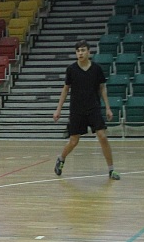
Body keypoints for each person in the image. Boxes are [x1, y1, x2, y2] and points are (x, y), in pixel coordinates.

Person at [51, 39, 120, 180]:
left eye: (83, 50)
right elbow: (65, 90)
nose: (80, 53)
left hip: (93, 108)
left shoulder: (96, 69)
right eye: (78, 51)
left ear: (89, 52)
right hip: (77, 110)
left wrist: (108, 108)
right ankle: (61, 159)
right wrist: (58, 110)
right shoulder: (71, 70)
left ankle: (111, 170)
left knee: (103, 136)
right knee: (74, 141)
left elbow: (102, 88)